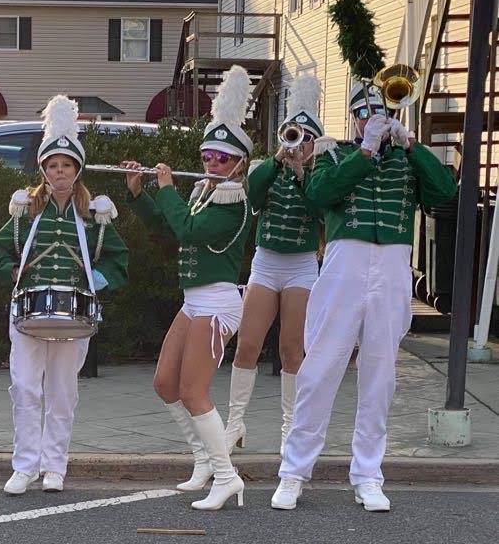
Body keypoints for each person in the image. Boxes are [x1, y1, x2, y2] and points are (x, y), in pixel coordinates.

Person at [271, 82, 457, 512]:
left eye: (380, 112)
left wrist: (414, 148)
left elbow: (444, 195)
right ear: (353, 117)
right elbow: (318, 197)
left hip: (392, 263)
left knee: (380, 374)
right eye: (363, 113)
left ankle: (369, 474)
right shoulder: (335, 152)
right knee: (320, 367)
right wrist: (366, 152)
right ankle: (294, 471)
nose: (372, 119)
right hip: (345, 262)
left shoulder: (408, 159)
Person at [124, 65, 253, 510]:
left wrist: (166, 189)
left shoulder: (233, 202)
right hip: (192, 302)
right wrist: (141, 194)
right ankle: (202, 459)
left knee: (195, 392)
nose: (212, 164)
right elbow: (168, 225)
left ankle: (226, 476)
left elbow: (190, 232)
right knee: (164, 384)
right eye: (207, 156)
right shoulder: (203, 191)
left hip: (218, 304)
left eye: (222, 158)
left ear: (240, 163)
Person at [0, 95, 128, 495]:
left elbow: (119, 260)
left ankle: (55, 467)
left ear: (77, 170)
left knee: (63, 394)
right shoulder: (26, 209)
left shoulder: (95, 214)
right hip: (29, 311)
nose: (60, 171)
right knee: (26, 388)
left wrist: (99, 280)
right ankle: (23, 466)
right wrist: (11, 271)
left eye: (66, 165)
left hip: (74, 314)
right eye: (53, 165)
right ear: (44, 171)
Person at [225, 74, 326, 456]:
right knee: (247, 344)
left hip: (301, 265)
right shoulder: (270, 168)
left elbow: (319, 210)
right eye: (292, 134)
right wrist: (277, 160)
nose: (297, 142)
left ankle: (291, 429)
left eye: (304, 136)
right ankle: (235, 423)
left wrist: (303, 175)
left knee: (291, 350)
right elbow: (252, 199)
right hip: (266, 263)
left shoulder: (320, 174)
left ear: (315, 141)